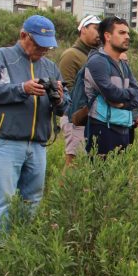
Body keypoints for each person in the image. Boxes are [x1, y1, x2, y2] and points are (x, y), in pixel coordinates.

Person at [0, 15, 69, 236]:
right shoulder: (1, 57)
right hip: (5, 142)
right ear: (23, 35)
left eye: (47, 47)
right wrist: (21, 89)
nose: (43, 50)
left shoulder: (50, 67)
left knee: (32, 200)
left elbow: (65, 105)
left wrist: (61, 100)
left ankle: (23, 247)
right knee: (2, 201)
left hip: (38, 145)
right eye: (38, 45)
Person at [84, 17, 138, 155]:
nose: (127, 37)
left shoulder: (123, 64)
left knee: (119, 174)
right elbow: (112, 93)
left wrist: (122, 103)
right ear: (108, 36)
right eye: (122, 33)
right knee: (100, 174)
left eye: (128, 33)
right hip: (102, 128)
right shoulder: (97, 61)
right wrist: (128, 97)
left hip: (123, 127)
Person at [58, 14, 100, 166]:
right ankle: (65, 191)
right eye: (96, 28)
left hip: (90, 117)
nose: (99, 33)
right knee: (74, 162)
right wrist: (77, 114)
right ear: (83, 29)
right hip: (74, 117)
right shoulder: (71, 55)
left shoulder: (95, 56)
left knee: (87, 163)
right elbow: (66, 88)